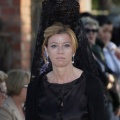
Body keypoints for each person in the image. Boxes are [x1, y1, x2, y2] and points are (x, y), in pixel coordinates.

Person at [25, 1, 106, 119]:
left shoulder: (91, 84)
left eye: (66, 45)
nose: (60, 51)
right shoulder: (35, 87)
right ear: (46, 50)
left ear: (74, 49)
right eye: (54, 45)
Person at [81, 16, 120, 120]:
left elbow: (106, 71)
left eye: (94, 30)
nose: (91, 33)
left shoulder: (96, 50)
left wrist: (111, 78)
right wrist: (108, 80)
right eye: (87, 30)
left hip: (106, 99)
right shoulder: (79, 53)